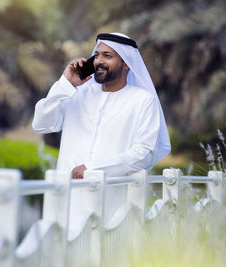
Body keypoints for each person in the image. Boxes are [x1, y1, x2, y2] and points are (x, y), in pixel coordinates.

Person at [32, 33, 171, 219]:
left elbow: (145, 153)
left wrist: (93, 167)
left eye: (108, 56)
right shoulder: (76, 93)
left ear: (127, 63)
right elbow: (41, 124)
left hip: (110, 206)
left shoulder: (142, 101)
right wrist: (65, 84)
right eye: (96, 55)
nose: (98, 61)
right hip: (66, 201)